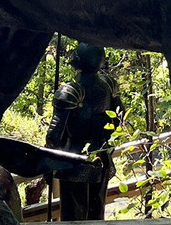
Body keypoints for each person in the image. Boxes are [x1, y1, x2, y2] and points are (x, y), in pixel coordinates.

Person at [45, 44, 121, 221]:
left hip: (74, 158)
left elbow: (53, 136)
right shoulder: (109, 85)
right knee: (97, 212)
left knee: (74, 216)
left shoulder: (71, 91)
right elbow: (118, 119)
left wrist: (48, 160)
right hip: (101, 155)